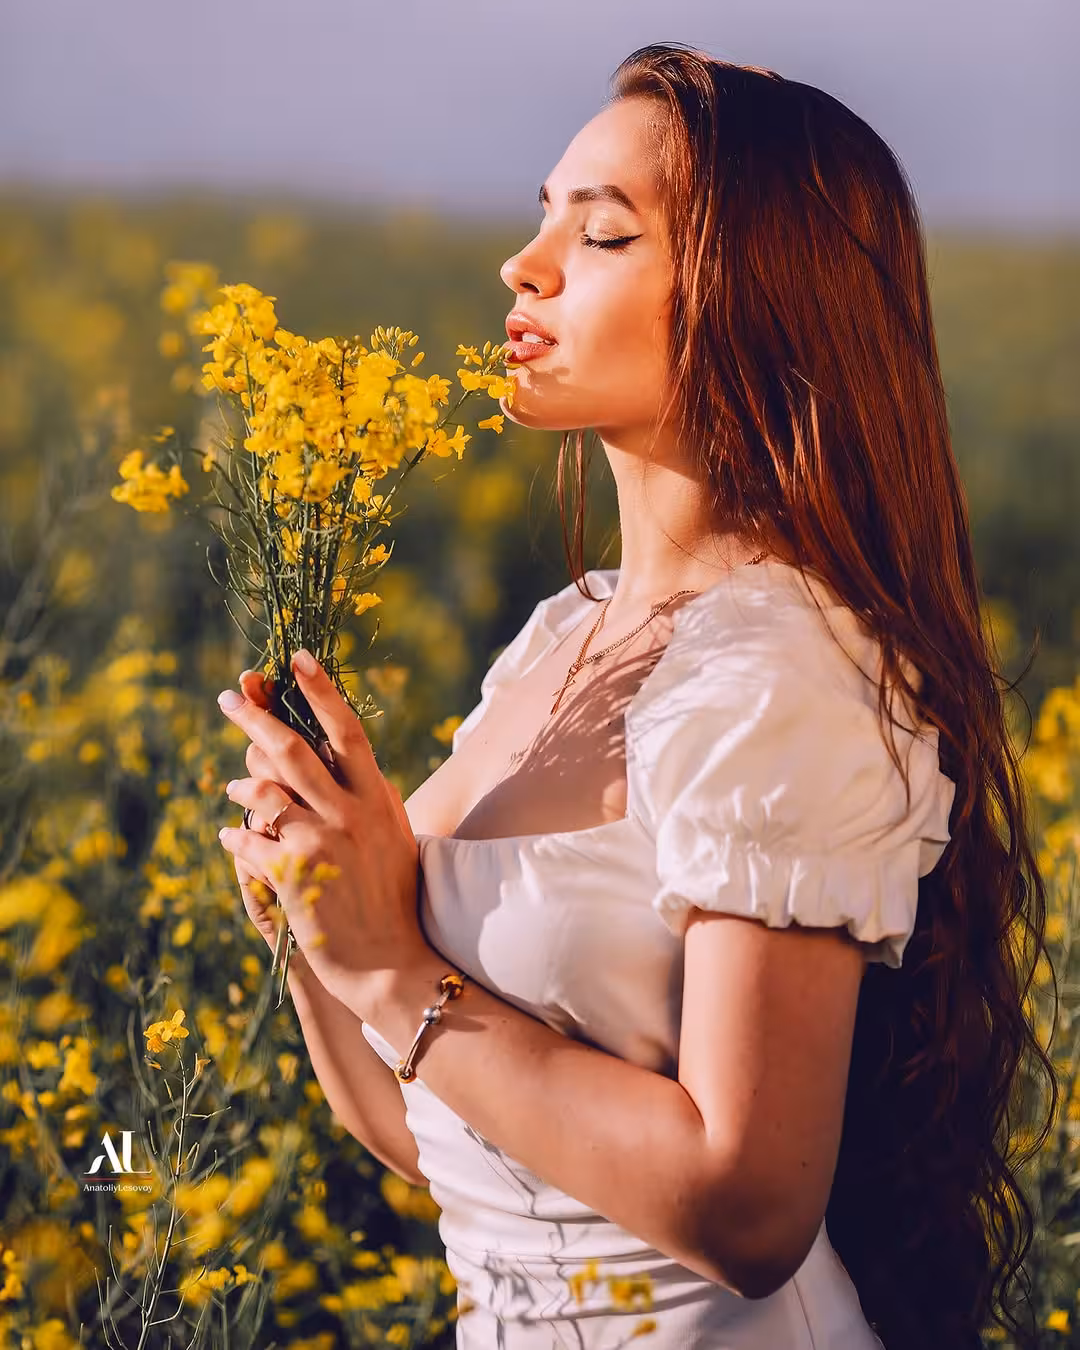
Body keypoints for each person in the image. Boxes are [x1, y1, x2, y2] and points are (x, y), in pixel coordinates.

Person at [217, 43, 1055, 1350]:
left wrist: (389, 965)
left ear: (753, 300)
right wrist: (315, 928)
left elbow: (748, 1202)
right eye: (545, 211)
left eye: (602, 233)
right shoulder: (565, 635)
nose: (526, 263)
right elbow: (447, 1139)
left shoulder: (775, 679)